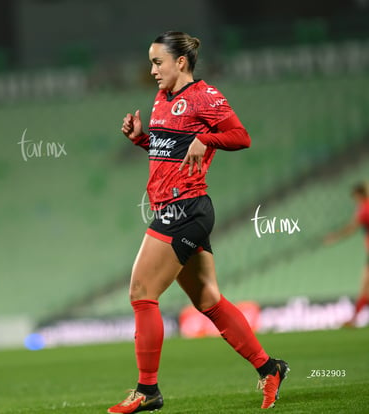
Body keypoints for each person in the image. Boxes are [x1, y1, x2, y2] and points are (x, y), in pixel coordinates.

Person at [108, 31, 289, 413]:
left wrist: (207, 138)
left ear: (181, 62)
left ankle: (148, 390)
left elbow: (241, 137)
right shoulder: (162, 99)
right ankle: (270, 368)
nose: (153, 70)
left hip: (185, 208)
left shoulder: (204, 96)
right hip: (176, 207)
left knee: (142, 293)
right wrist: (142, 139)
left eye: (158, 62)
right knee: (208, 300)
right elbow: (169, 151)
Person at [325, 183, 369, 326]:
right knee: (365, 287)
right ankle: (354, 318)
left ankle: (354, 318)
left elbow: (351, 228)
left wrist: (334, 237)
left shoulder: (364, 210)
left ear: (358, 195)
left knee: (365, 286)